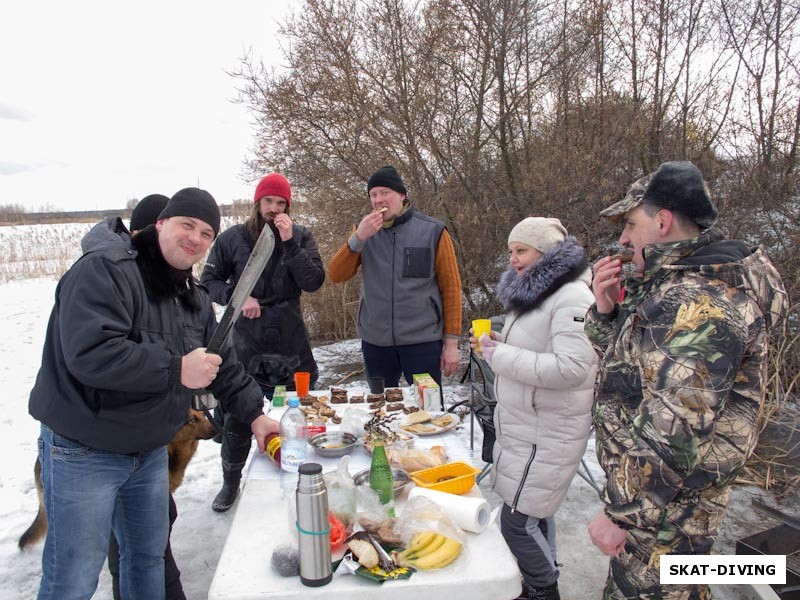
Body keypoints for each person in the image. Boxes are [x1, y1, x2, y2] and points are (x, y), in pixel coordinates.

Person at [29, 188, 280, 600]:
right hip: (83, 453)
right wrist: (177, 368)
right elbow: (89, 354)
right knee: (73, 578)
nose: (196, 238)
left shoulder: (194, 297)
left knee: (145, 560)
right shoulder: (104, 271)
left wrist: (256, 415)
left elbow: (223, 365)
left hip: (147, 452)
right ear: (160, 222)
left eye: (206, 232)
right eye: (187, 224)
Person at [585, 162, 787, 599]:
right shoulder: (676, 284)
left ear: (661, 222)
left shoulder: (698, 303)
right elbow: (632, 376)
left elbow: (675, 431)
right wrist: (606, 313)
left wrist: (622, 513)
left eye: (631, 225)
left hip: (666, 508)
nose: (623, 239)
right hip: (663, 502)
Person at [471, 217, 597, 600]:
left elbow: (572, 368)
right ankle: (541, 574)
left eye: (521, 250)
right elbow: (535, 348)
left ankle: (544, 589)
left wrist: (500, 354)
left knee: (516, 522)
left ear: (545, 252)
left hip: (550, 430)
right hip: (528, 427)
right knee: (534, 513)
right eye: (510, 251)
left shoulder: (573, 297)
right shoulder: (535, 295)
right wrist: (496, 342)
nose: (513, 259)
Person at [200, 172, 324, 512]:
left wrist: (291, 244)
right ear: (258, 203)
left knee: (299, 413)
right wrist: (237, 298)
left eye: (280, 203)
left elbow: (314, 281)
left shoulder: (300, 236)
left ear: (288, 206)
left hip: (290, 336)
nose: (274, 208)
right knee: (242, 416)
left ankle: (304, 476)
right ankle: (231, 480)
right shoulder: (231, 239)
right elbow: (207, 280)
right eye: (268, 201)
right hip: (248, 341)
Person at [328, 165, 462, 389]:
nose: (378, 200)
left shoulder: (433, 231)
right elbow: (336, 274)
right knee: (380, 410)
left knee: (427, 411)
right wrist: (359, 237)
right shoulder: (363, 232)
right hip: (376, 342)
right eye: (373, 194)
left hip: (422, 340)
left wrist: (451, 343)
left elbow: (451, 289)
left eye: (385, 192)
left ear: (402, 195)